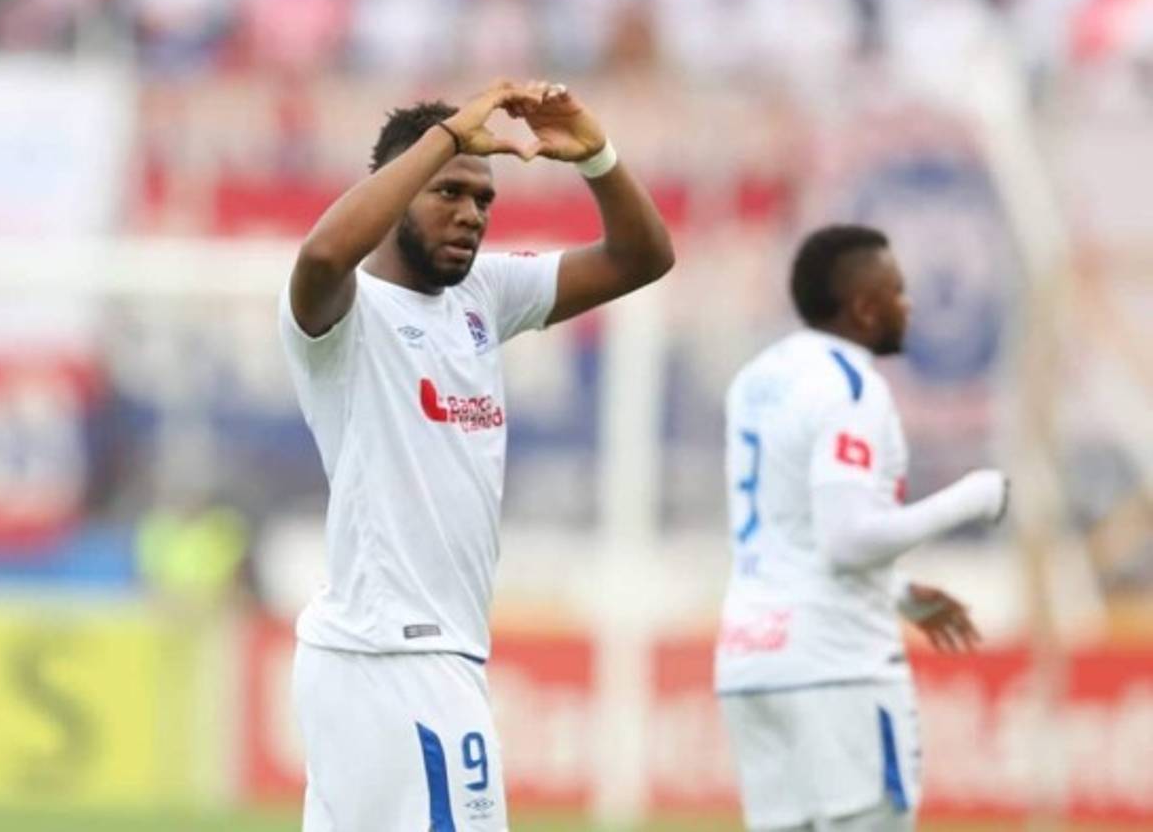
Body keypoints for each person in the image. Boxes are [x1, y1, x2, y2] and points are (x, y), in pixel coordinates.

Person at [279, 79, 673, 831]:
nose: (471, 214)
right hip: (401, 660)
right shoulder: (343, 316)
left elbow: (642, 256)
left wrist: (598, 157)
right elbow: (323, 252)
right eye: (448, 193)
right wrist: (454, 134)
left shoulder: (483, 297)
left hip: (396, 660)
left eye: (483, 201)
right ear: (393, 196)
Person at [716, 224, 1009, 832]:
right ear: (865, 306)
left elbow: (790, 524)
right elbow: (846, 541)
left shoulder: (758, 378)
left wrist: (897, 592)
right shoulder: (851, 387)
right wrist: (974, 497)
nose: (909, 305)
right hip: (837, 665)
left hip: (751, 662)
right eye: (898, 291)